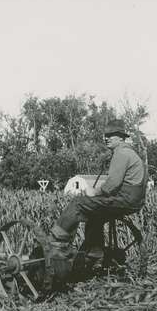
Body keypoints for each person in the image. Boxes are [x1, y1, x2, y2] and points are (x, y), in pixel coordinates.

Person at [39, 119, 146, 283]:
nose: (107, 138)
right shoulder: (131, 153)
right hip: (132, 201)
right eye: (106, 135)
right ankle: (94, 254)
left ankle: (56, 241)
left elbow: (112, 185)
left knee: (79, 202)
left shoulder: (121, 153)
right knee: (95, 214)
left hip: (123, 199)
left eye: (111, 135)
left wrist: (93, 191)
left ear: (121, 138)